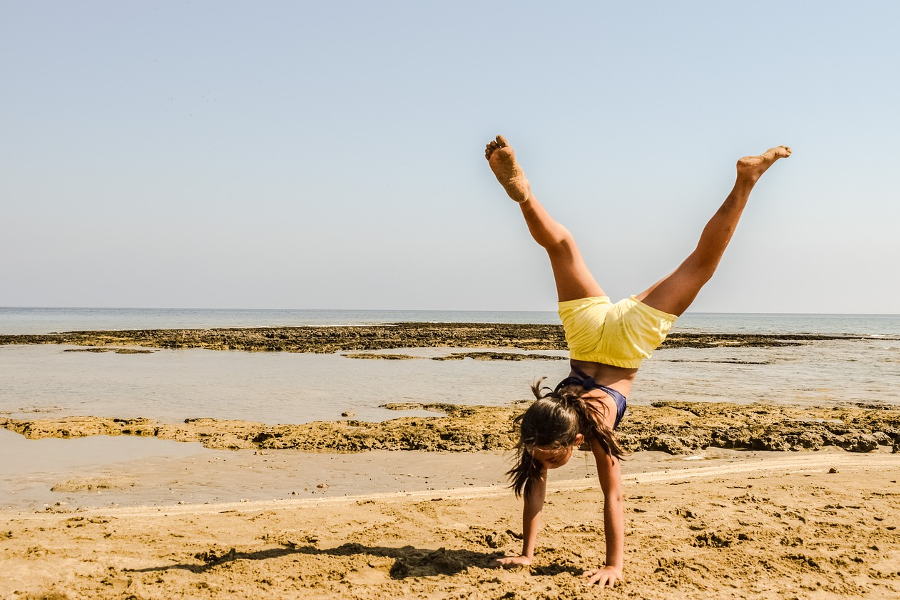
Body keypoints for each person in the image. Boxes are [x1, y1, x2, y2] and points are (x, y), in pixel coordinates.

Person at [484, 135, 791, 587]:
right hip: (585, 333)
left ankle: (746, 179)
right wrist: (526, 554)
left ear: (572, 441)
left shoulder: (596, 428)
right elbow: (540, 487)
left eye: (549, 459)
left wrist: (615, 565)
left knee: (702, 264)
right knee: (562, 247)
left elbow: (614, 497)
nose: (544, 465)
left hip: (625, 344)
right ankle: (524, 195)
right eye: (544, 458)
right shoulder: (544, 420)